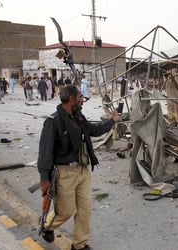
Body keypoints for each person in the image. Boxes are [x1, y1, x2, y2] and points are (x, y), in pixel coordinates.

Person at [37, 84, 119, 250]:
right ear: (71, 99)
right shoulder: (53, 122)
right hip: (64, 172)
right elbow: (45, 153)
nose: (83, 100)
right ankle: (46, 225)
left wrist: (113, 121)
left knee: (84, 210)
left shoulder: (79, 117)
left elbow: (94, 130)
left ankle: (79, 245)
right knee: (65, 211)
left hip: (82, 170)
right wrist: (44, 179)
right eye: (80, 97)